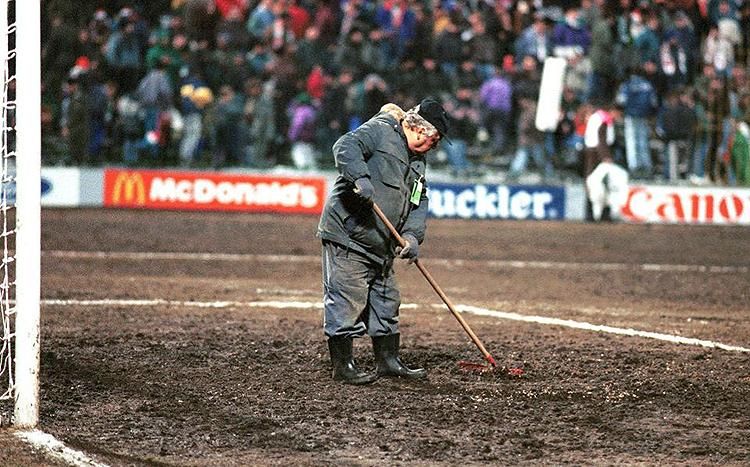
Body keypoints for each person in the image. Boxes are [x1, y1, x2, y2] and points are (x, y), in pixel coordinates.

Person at [317, 97, 449, 385]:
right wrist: (360, 178)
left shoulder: (418, 162)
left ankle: (388, 361)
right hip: (350, 235)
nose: (434, 146)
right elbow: (345, 147)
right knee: (347, 299)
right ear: (419, 129)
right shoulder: (379, 130)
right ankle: (343, 366)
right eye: (434, 139)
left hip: (382, 244)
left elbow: (418, 200)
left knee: (387, 302)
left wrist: (413, 236)